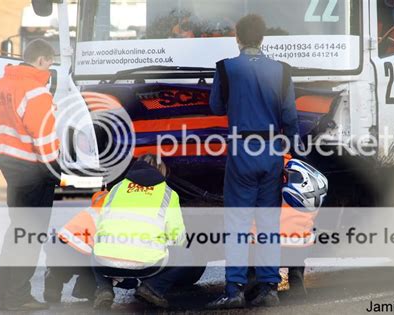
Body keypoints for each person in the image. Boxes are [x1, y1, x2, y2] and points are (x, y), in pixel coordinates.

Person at [207, 15, 301, 309]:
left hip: (241, 150)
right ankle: (269, 287)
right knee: (268, 222)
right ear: (263, 38)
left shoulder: (225, 68)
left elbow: (216, 107)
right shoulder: (282, 70)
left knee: (237, 223)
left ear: (237, 38)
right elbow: (290, 118)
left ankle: (234, 289)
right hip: (272, 151)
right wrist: (293, 153)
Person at [0, 39, 60, 311]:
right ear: (42, 60)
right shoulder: (36, 92)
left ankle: (4, 294)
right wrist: (54, 168)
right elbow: (45, 137)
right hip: (34, 170)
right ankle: (17, 297)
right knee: (30, 235)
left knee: (16, 231)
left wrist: (0, 153)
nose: (51, 68)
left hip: (10, 167)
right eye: (51, 62)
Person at [91, 154, 195, 310]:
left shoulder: (116, 188)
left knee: (94, 245)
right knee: (187, 254)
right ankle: (153, 289)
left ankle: (104, 289)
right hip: (147, 265)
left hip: (105, 263)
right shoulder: (168, 194)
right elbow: (178, 237)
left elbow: (100, 225)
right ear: (162, 171)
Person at [43, 190, 109, 303]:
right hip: (81, 256)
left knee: (80, 255)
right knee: (100, 261)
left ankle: (54, 277)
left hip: (56, 249)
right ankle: (86, 289)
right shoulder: (113, 217)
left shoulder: (89, 212)